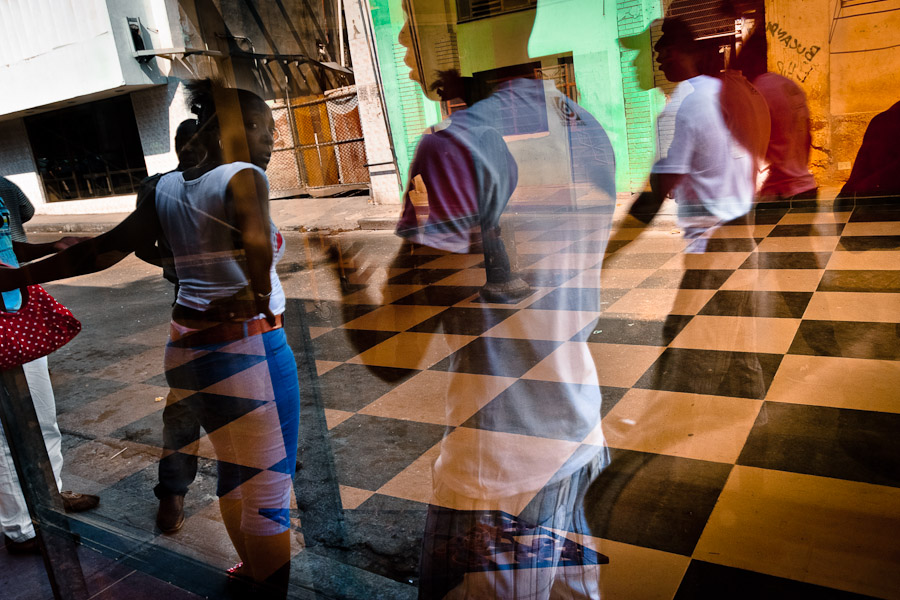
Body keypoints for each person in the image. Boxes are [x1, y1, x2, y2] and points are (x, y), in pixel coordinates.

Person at [0, 80, 299, 592]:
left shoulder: (165, 188)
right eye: (265, 129)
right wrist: (252, 295)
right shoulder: (244, 176)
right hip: (249, 348)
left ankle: (248, 570)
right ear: (237, 129)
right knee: (268, 486)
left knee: (235, 469)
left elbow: (105, 250)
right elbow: (253, 241)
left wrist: (17, 276)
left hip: (187, 347)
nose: (272, 141)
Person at [0, 188, 100, 556]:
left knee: (41, 421)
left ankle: (49, 497)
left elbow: (9, 247)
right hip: (7, 317)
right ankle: (21, 531)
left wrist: (55, 246)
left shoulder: (0, 186)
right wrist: (62, 265)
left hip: (16, 320)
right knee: (3, 442)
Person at [133, 119, 205, 534]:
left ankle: (265, 466)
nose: (192, 147)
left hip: (239, 309)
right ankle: (173, 490)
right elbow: (137, 243)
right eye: (185, 141)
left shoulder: (230, 180)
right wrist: (178, 267)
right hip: (193, 307)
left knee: (254, 392)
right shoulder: (160, 186)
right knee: (185, 400)